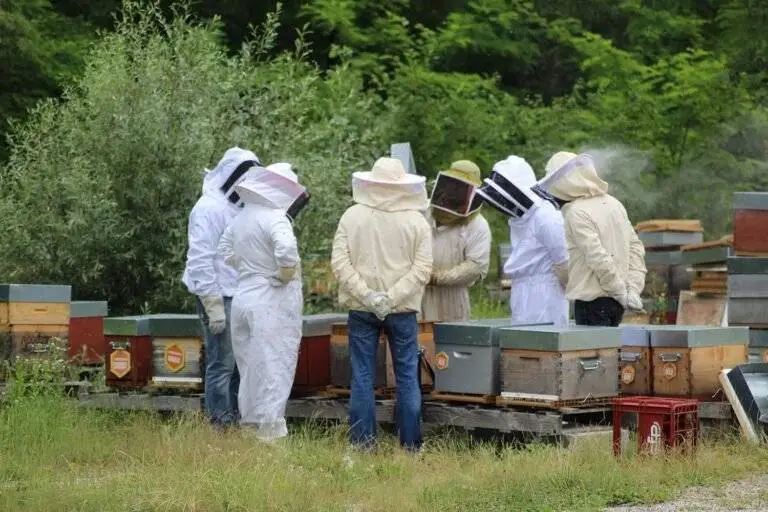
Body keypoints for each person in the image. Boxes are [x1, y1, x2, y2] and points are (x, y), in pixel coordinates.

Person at [331, 157, 432, 452]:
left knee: (362, 375)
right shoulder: (416, 221)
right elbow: (423, 269)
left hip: (362, 309)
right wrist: (393, 297)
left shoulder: (352, 216)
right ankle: (411, 445)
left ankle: (362, 444)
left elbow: (339, 263)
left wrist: (370, 297)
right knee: (406, 374)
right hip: (402, 310)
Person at [218, 162, 308, 441]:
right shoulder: (274, 217)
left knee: (249, 367)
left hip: (243, 298)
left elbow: (223, 250)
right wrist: (283, 274)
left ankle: (250, 426)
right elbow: (287, 251)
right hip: (270, 302)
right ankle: (271, 436)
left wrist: (249, 268)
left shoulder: (241, 217)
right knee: (273, 364)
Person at [182, 147, 262, 428]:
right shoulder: (207, 209)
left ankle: (236, 419)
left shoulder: (239, 208)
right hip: (216, 295)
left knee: (240, 363)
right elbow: (199, 259)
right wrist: (212, 304)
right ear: (231, 176)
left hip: (239, 294)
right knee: (222, 364)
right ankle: (220, 424)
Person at [537, 151, 646, 326]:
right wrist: (631, 290)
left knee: (592, 354)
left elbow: (598, 258)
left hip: (592, 304)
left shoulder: (576, 212)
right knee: (610, 352)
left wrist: (622, 293)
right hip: (616, 304)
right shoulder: (614, 203)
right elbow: (636, 248)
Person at [475, 155, 570, 325]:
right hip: (521, 289)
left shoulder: (547, 216)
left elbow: (564, 262)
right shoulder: (521, 218)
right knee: (520, 345)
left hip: (547, 293)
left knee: (543, 346)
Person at [421, 160, 491, 322]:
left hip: (453, 298)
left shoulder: (478, 225)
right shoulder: (423, 211)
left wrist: (437, 278)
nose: (454, 193)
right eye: (452, 187)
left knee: (451, 344)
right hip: (418, 293)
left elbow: (475, 266)